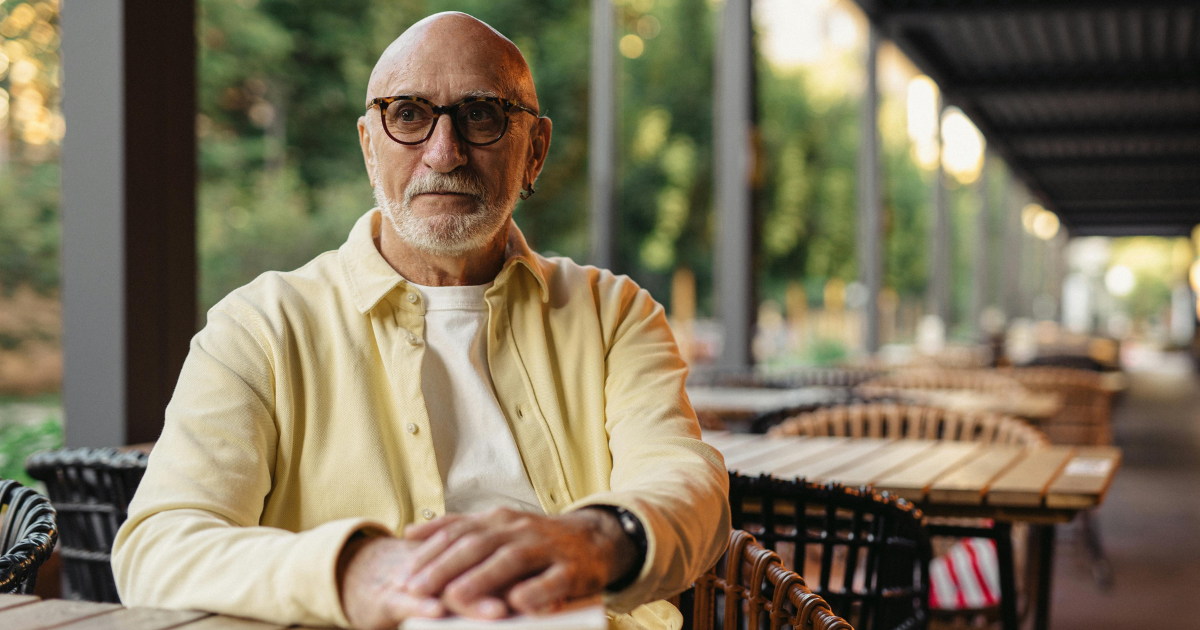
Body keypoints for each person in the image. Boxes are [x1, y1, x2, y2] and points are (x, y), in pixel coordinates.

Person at [111, 11, 729, 630]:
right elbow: (159, 546)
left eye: (481, 114)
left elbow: (688, 486)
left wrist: (594, 538)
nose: (444, 152)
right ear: (368, 145)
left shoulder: (613, 313)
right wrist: (355, 570)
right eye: (408, 114)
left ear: (534, 150)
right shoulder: (260, 328)